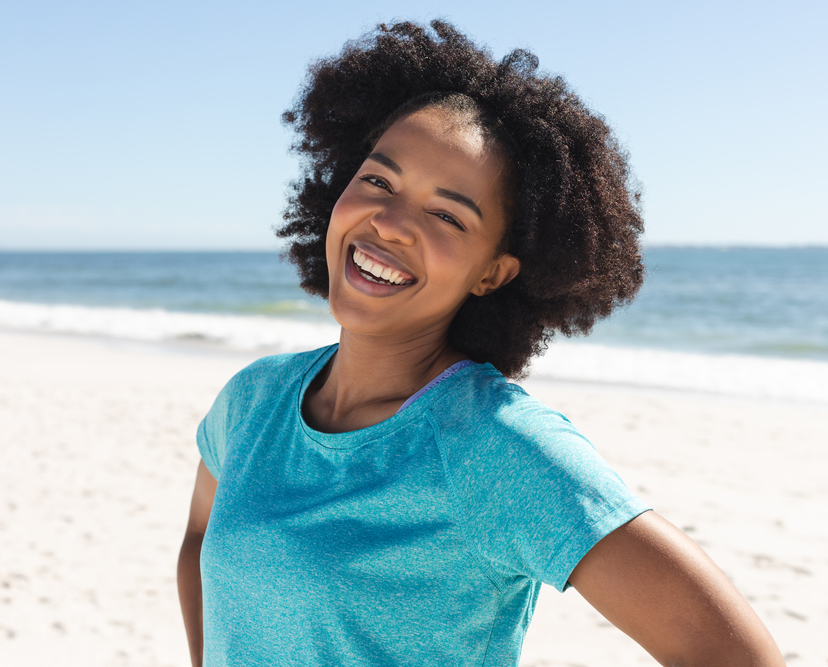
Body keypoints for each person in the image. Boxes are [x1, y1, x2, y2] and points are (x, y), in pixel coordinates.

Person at [177, 20, 784, 667]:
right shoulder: (254, 400)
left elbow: (736, 654)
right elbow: (198, 540)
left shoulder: (495, 445)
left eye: (446, 215)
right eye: (379, 181)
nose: (389, 222)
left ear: (493, 271)